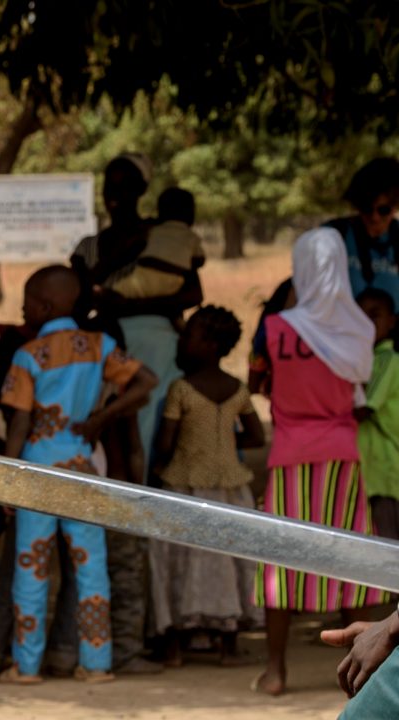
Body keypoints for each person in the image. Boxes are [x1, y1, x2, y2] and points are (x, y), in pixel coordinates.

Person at [0, 266, 158, 685]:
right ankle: (96, 663)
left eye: (27, 302)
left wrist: (6, 483)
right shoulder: (101, 346)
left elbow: (17, 426)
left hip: (36, 470)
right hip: (82, 469)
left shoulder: (28, 355)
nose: (22, 309)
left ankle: (26, 666)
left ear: (45, 305)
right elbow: (147, 382)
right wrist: (100, 418)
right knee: (91, 567)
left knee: (31, 568)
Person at [250, 229, 391, 696]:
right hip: (343, 456)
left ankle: (275, 671)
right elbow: (359, 383)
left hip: (290, 453)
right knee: (348, 558)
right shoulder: (360, 329)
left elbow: (258, 380)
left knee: (279, 559)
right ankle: (359, 673)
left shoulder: (276, 328)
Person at [70, 153, 192, 675]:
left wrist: (114, 296)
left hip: (157, 350)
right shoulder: (89, 247)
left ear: (143, 189)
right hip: (110, 350)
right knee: (116, 458)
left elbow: (190, 290)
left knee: (148, 465)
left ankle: (157, 622)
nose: (115, 193)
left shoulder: (163, 235)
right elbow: (79, 301)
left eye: (125, 185)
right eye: (109, 185)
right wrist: (110, 275)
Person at [148, 306, 267, 667]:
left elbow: (167, 444)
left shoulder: (180, 389)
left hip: (186, 485)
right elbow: (256, 435)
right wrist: (224, 447)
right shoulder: (238, 390)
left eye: (190, 336)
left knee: (176, 561)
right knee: (227, 563)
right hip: (230, 488)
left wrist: (167, 459)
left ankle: (173, 645)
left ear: (212, 345)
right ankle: (227, 644)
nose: (182, 342)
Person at [103, 187, 207, 302]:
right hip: (174, 281)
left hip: (145, 274)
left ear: (160, 212)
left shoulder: (153, 230)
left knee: (119, 292)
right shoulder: (191, 237)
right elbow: (200, 260)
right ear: (191, 215)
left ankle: (101, 294)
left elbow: (137, 243)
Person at [320, 158, 399, 300]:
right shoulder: (333, 235)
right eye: (367, 208)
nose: (374, 217)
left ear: (395, 207)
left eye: (383, 210)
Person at [358, 289, 399, 539]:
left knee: (387, 546)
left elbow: (362, 409)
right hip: (369, 470)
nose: (367, 323)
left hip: (384, 470)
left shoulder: (388, 360)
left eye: (375, 315)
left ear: (392, 321)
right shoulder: (364, 359)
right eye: (360, 316)